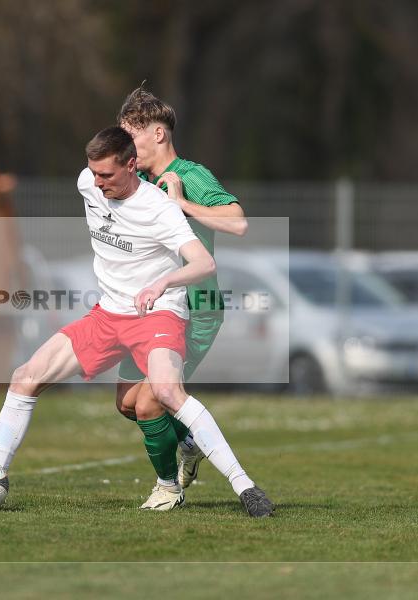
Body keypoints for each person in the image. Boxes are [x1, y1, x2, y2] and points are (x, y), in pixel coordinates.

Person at [0, 126, 273, 517]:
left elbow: (204, 262)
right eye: (94, 173)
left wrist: (164, 281)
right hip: (108, 314)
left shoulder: (159, 208)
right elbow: (98, 168)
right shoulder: (87, 182)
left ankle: (244, 487)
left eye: (107, 175)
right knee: (26, 377)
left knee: (165, 394)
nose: (98, 182)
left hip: (159, 313)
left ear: (132, 165)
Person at [114, 84, 253, 511]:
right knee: (126, 403)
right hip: (149, 310)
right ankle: (189, 439)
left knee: (152, 398)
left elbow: (237, 222)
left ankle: (168, 487)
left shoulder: (191, 176)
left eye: (131, 137)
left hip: (195, 310)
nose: (125, 147)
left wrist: (182, 205)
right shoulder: (138, 180)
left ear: (158, 134)